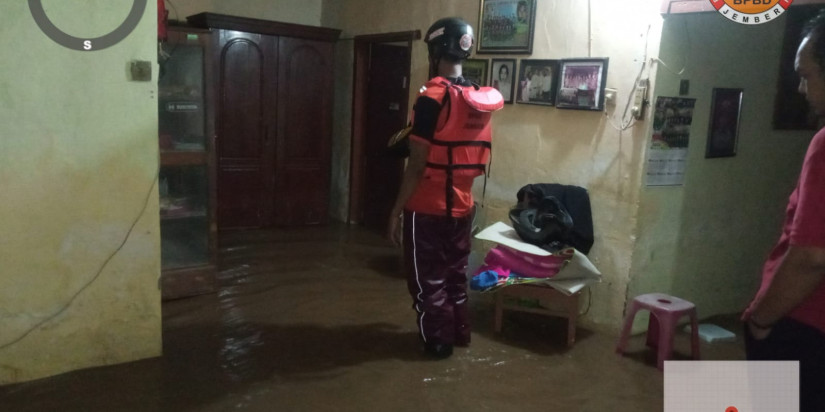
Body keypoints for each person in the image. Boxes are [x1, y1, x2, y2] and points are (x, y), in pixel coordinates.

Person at [386, 17, 503, 359]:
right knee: (454, 277)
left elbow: (418, 165)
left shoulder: (431, 97)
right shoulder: (478, 97)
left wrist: (394, 212)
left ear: (436, 50)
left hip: (425, 209)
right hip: (463, 208)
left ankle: (437, 345)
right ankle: (459, 335)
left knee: (427, 283)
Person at [742, 10, 825, 411]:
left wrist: (760, 319)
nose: (799, 87)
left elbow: (811, 256)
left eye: (807, 75)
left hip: (804, 325)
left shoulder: (824, 144)